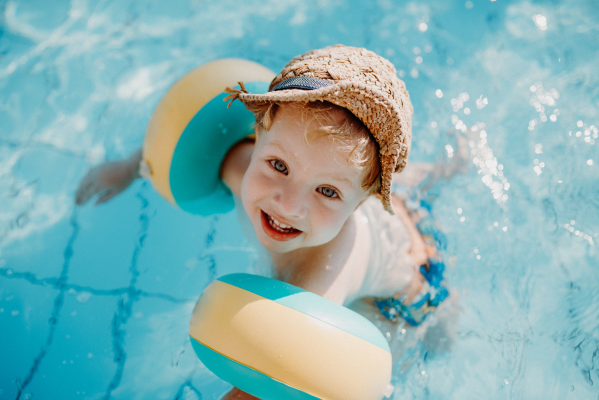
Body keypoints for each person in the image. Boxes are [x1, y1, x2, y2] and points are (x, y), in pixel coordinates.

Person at [76, 45, 460, 400]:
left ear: (365, 201)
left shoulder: (321, 274)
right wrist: (129, 168)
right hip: (372, 205)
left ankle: (455, 164)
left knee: (441, 341)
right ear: (256, 135)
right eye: (279, 166)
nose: (288, 205)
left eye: (326, 192)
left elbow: (276, 374)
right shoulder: (240, 165)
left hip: (414, 282)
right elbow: (183, 139)